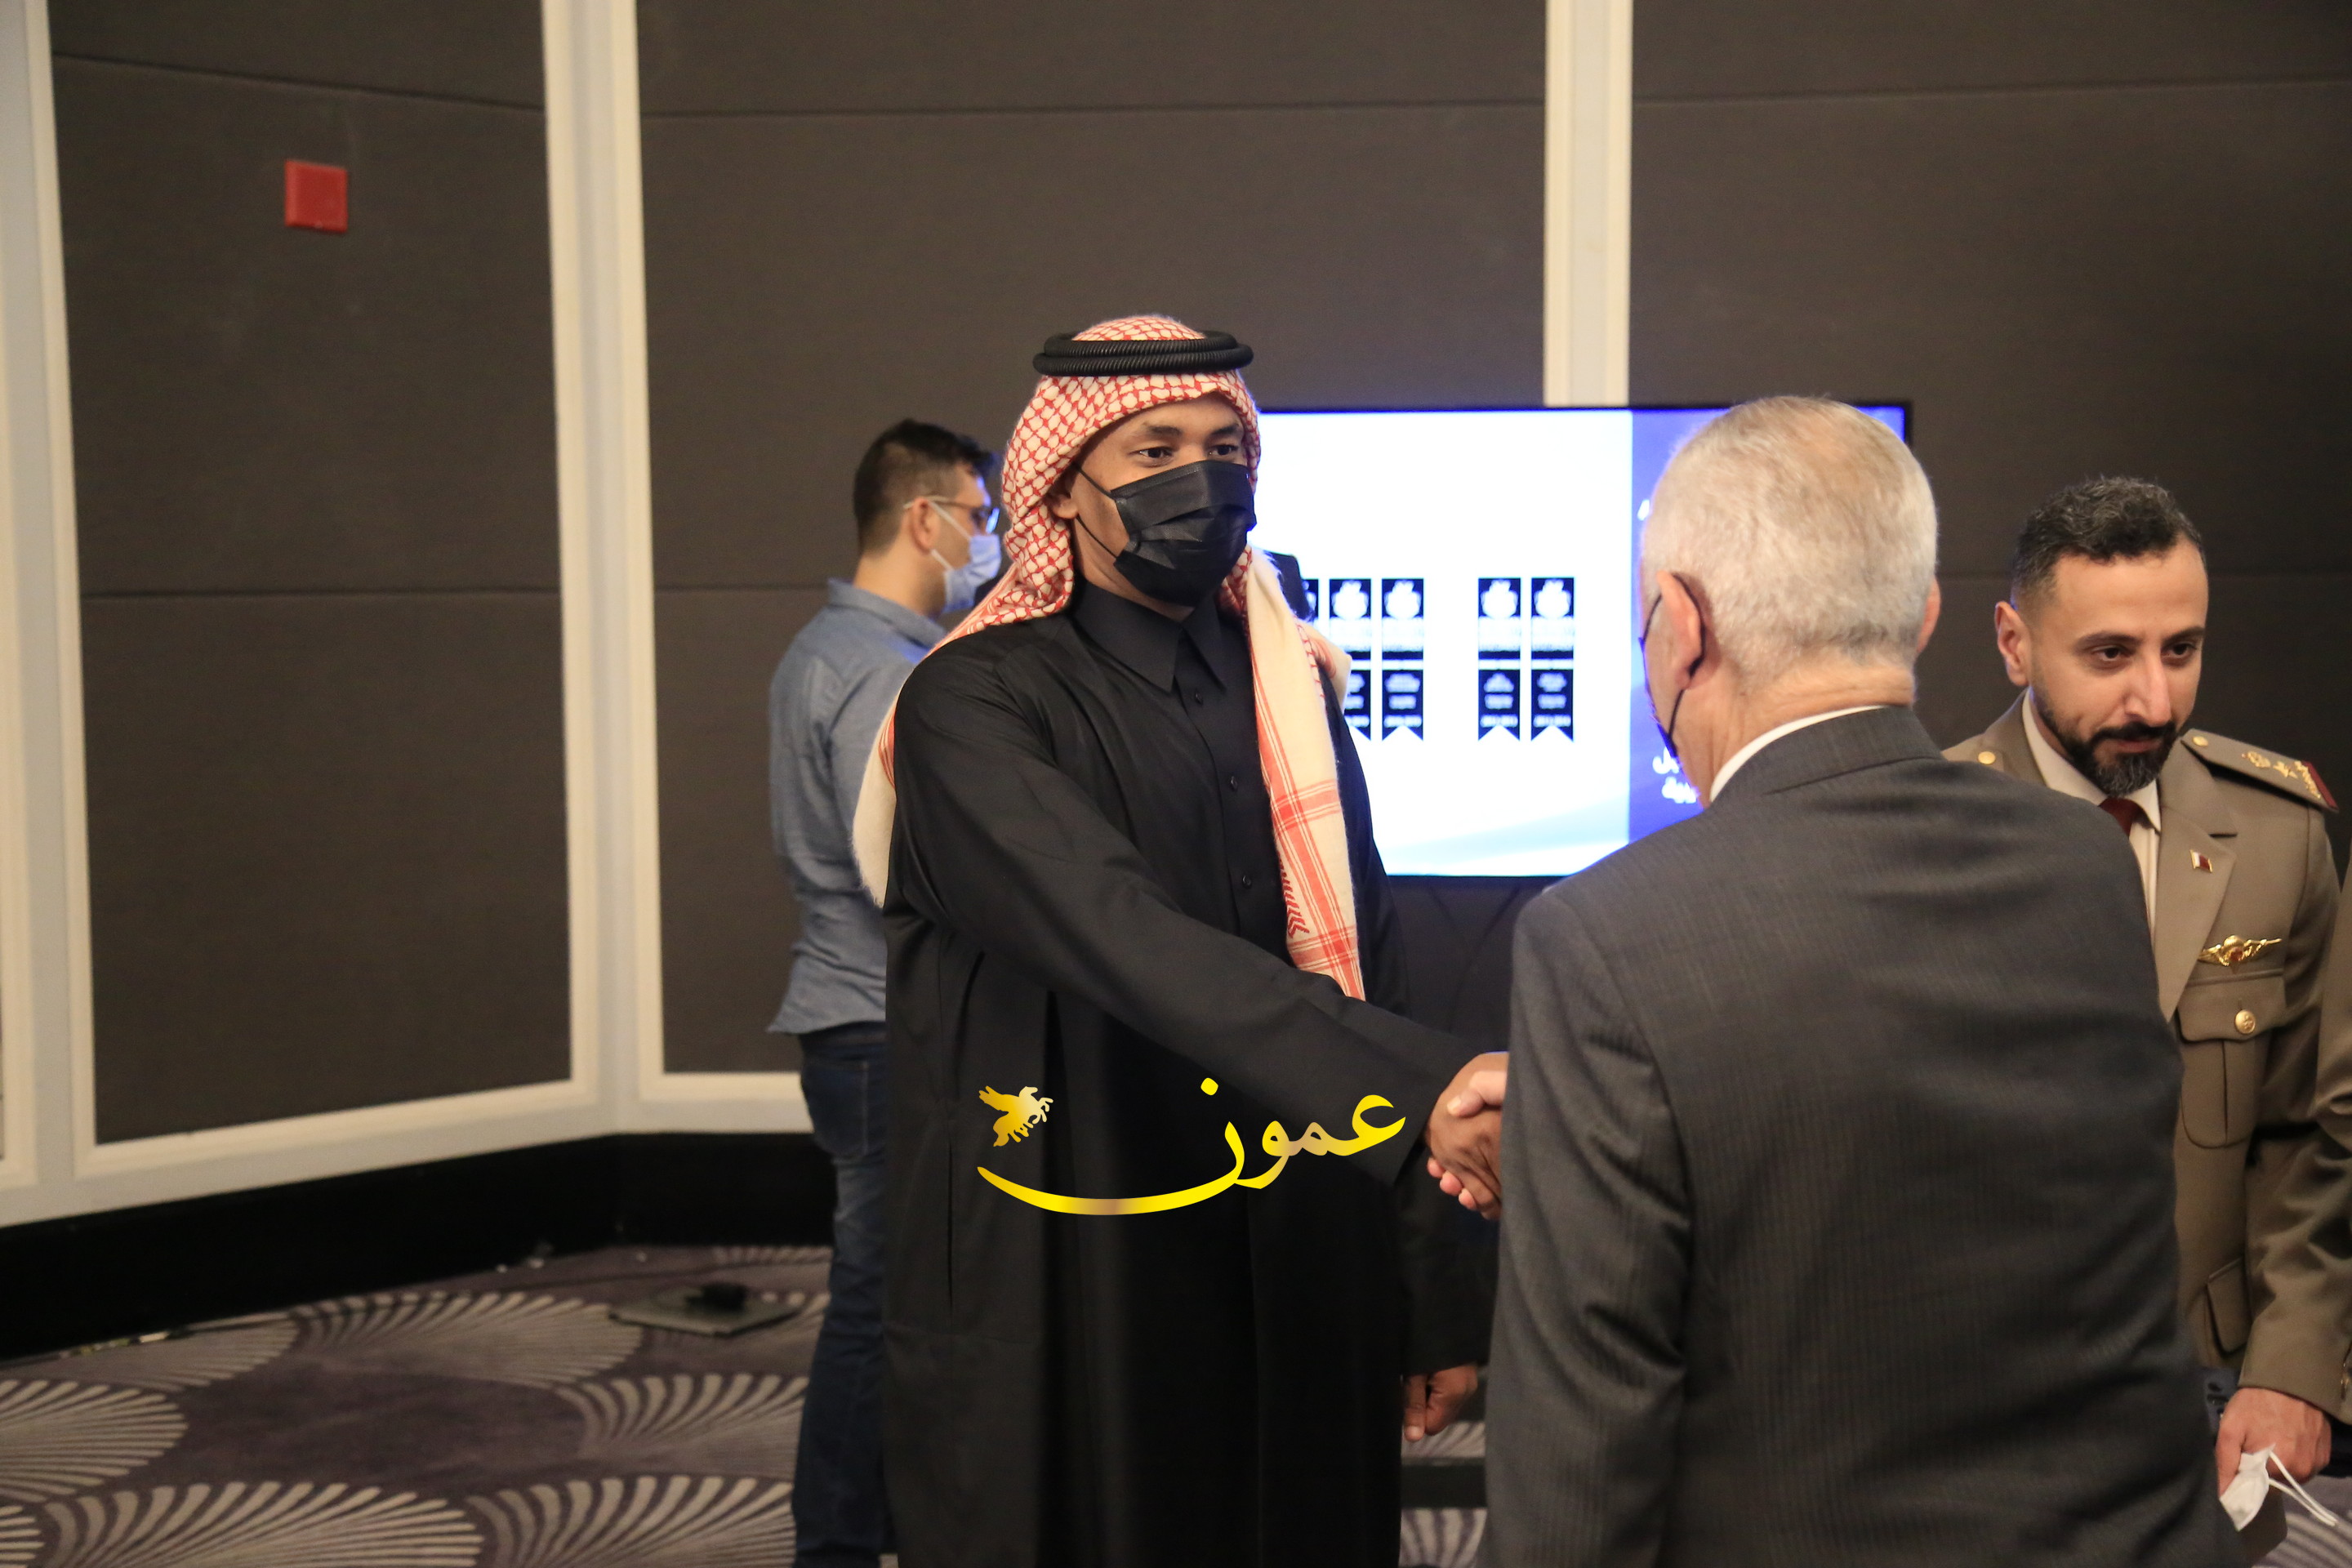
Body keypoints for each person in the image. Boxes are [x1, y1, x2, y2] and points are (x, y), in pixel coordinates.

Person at [1484, 399, 2235, 1565]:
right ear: (1926, 614)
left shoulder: (1604, 939)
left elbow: (1580, 1464)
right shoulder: (2086, 864)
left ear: (1681, 624)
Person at [853, 316, 1501, 1566]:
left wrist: (1431, 1289)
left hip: (1305, 1225)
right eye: (1154, 450)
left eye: (1225, 448)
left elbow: (1370, 957)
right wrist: (1431, 1088)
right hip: (1081, 1236)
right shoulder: (976, 701)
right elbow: (1118, 931)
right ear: (1064, 486)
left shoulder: (1288, 689)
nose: (1200, 478)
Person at [1944, 478, 2349, 1545]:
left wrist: (2294, 1369)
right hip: (1980, 1417)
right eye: (2110, 655)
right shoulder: (1923, 841)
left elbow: (2314, 1137)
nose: (2155, 702)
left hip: (2216, 1400)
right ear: (2015, 644)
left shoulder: (2279, 835)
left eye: (2183, 650)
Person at [768, 417, 1000, 1568]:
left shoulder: (825, 648)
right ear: (924, 520)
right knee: (879, 1305)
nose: (991, 541)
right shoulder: (884, 672)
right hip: (879, 1024)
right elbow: (902, 866)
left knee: (892, 1296)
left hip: (850, 1018)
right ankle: (839, 1543)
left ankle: (873, 1528)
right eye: (981, 517)